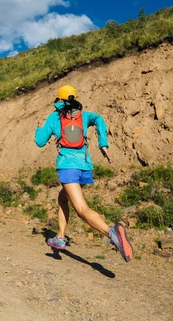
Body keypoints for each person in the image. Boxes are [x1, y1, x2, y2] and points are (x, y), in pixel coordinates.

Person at [34, 85, 133, 262]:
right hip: (85, 167)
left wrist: (39, 128)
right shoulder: (84, 115)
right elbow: (99, 119)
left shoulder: (55, 117)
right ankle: (60, 237)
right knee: (63, 198)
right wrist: (103, 143)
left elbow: (40, 141)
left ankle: (113, 234)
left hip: (68, 167)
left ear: (58, 100)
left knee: (81, 209)